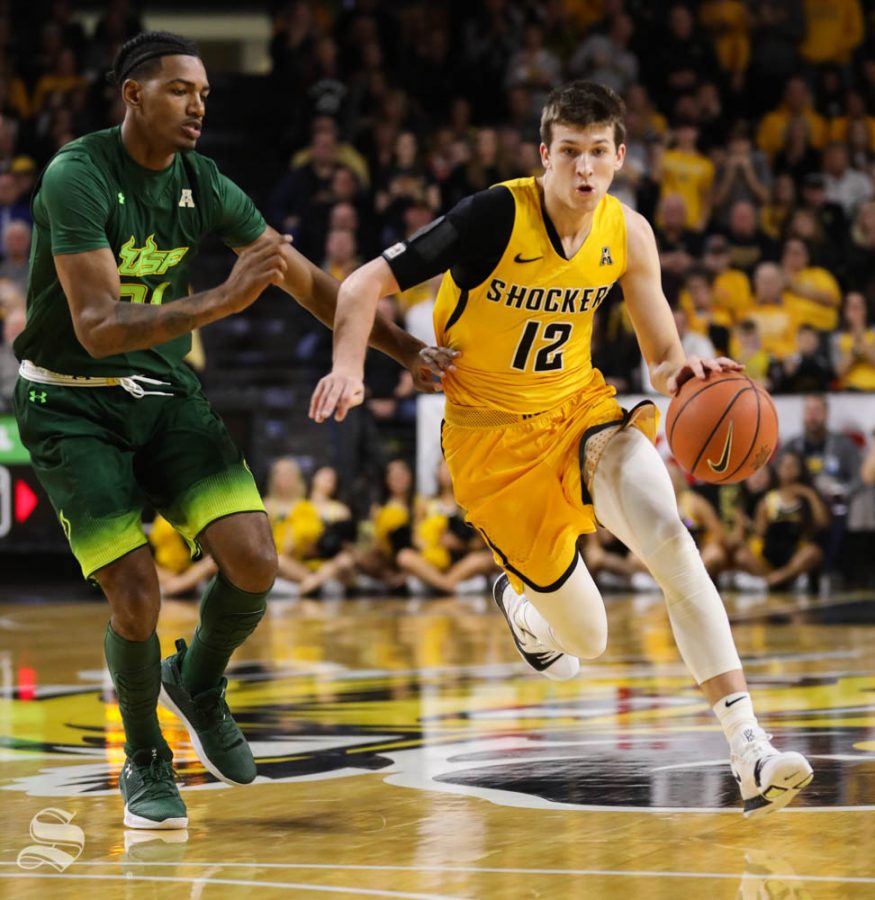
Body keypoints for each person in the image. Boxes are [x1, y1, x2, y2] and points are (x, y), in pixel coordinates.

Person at [310, 80, 813, 817]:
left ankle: (748, 748)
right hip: (490, 450)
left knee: (671, 539)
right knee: (590, 642)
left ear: (618, 157)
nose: (583, 168)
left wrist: (688, 373)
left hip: (579, 414)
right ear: (544, 155)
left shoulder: (627, 232)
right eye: (569, 153)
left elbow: (663, 357)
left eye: (598, 153)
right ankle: (520, 597)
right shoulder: (490, 217)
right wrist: (350, 369)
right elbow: (360, 284)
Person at [12, 31, 450, 831]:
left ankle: (199, 681)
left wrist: (402, 348)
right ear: (133, 95)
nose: (199, 105)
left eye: (205, 93)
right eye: (181, 89)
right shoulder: (77, 175)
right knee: (136, 591)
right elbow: (100, 325)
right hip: (71, 400)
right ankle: (145, 756)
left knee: (255, 559)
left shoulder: (202, 182)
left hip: (163, 388)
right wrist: (221, 299)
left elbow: (305, 278)